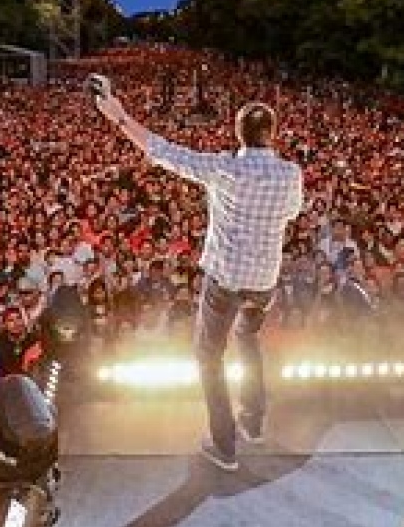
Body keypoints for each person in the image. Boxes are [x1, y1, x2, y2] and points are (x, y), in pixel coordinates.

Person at [97, 91, 303, 471]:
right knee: (248, 337)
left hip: (225, 278)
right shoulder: (291, 174)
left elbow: (162, 150)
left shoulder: (223, 168)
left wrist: (120, 116)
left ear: (237, 132)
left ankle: (224, 446)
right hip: (263, 282)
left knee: (210, 356)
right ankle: (253, 423)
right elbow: (291, 213)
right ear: (272, 133)